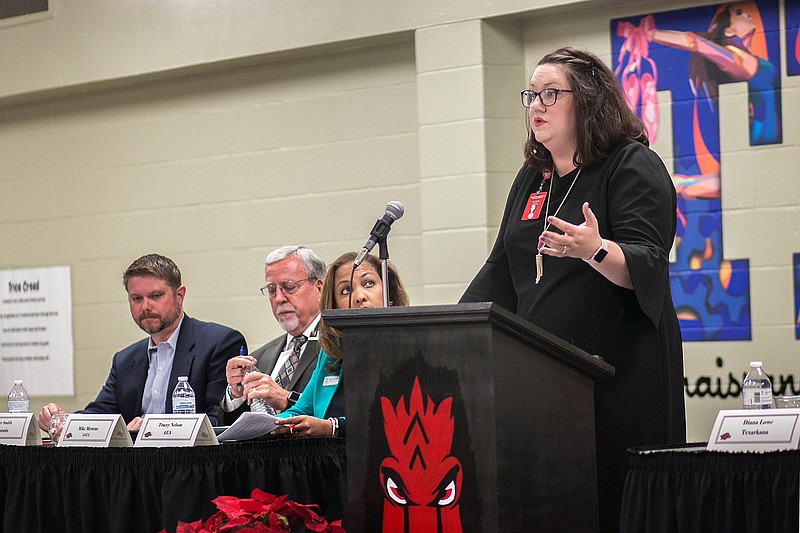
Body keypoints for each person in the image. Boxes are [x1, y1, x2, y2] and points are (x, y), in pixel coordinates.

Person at [459, 47, 686, 532]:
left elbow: (647, 264)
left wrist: (595, 249)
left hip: (620, 380)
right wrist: (449, 329)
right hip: (546, 386)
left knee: (614, 508)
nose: (535, 105)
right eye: (531, 95)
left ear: (586, 101)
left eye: (549, 93)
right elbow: (500, 269)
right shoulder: (532, 179)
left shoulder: (632, 164)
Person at [38, 254, 246, 433]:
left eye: (155, 296)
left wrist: (149, 429)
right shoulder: (125, 359)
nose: (145, 306)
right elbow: (102, 415)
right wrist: (63, 422)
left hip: (192, 470)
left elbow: (219, 422)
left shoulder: (218, 343)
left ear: (179, 296)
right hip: (138, 472)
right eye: (136, 298)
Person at [266, 251, 409, 438]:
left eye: (369, 284)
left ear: (388, 291)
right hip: (332, 462)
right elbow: (302, 410)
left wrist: (333, 427)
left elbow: (397, 417)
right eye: (346, 290)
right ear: (335, 306)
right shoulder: (330, 353)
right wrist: (264, 427)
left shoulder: (407, 347)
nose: (359, 296)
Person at [219, 245, 326, 424]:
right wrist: (235, 394)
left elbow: (340, 411)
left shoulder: (337, 347)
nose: (279, 298)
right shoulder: (259, 358)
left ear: (319, 287)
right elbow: (232, 432)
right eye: (271, 290)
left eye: (289, 287)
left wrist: (287, 398)